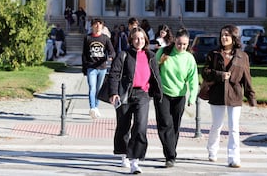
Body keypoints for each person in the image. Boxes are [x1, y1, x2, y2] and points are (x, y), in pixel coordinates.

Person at [107, 27, 163, 174]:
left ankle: (135, 161)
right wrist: (114, 93)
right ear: (131, 40)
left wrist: (159, 94)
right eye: (136, 38)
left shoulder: (151, 55)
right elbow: (114, 74)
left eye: (142, 39)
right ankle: (124, 152)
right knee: (123, 126)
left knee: (140, 127)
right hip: (125, 94)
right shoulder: (124, 54)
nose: (139, 41)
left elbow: (156, 76)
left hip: (143, 95)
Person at [201, 24, 256, 168]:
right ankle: (212, 150)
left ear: (234, 37)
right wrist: (220, 75)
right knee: (217, 125)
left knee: (234, 127)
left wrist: (251, 97)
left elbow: (247, 78)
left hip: (235, 95)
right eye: (222, 35)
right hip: (217, 94)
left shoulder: (242, 56)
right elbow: (205, 72)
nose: (224, 37)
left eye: (227, 35)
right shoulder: (213, 54)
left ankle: (234, 158)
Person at [154, 28, 199, 168]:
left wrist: (192, 97)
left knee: (174, 126)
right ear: (175, 41)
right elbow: (153, 69)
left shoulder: (189, 58)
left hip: (179, 96)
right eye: (179, 43)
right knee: (165, 124)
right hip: (163, 94)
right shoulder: (164, 52)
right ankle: (170, 156)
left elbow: (193, 78)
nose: (182, 47)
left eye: (185, 44)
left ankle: (170, 152)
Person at [82, 18, 116, 119]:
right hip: (91, 67)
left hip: (102, 67)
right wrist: (84, 67)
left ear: (102, 26)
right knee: (92, 88)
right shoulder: (87, 38)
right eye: (95, 25)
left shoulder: (105, 38)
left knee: (98, 89)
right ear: (92, 26)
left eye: (99, 24)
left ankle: (96, 107)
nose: (97, 26)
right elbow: (84, 54)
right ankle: (92, 107)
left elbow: (112, 51)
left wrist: (110, 56)